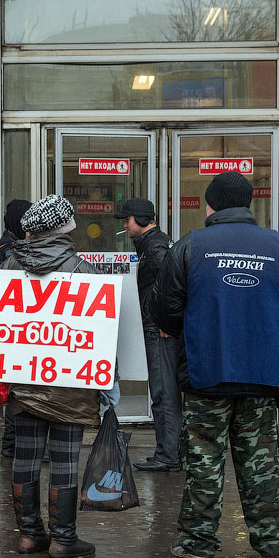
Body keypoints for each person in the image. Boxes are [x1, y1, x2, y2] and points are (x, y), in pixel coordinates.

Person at [150, 171, 279, 558]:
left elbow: (165, 310)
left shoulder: (190, 246)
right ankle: (272, 544)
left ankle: (198, 545)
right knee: (260, 467)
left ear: (210, 205)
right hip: (263, 378)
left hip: (207, 376)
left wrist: (177, 329)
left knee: (203, 464)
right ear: (248, 205)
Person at [0, 194, 99, 558]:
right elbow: (98, 335)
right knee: (64, 460)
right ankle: (63, 539)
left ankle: (29, 535)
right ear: (66, 228)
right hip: (70, 384)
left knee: (24, 457)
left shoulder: (10, 264)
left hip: (23, 381)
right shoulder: (82, 270)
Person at [114, 198, 182, 472]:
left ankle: (169, 455)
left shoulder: (155, 249)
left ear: (140, 220)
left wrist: (167, 321)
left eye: (127, 220)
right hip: (159, 327)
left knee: (163, 392)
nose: (125, 226)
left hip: (160, 331)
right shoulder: (154, 245)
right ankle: (170, 452)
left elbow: (174, 288)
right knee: (164, 391)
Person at [0, 199, 31, 458]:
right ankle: (12, 444)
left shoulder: (5, 246)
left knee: (14, 388)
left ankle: (10, 444)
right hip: (14, 327)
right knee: (17, 389)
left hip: (11, 327)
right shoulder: (10, 250)